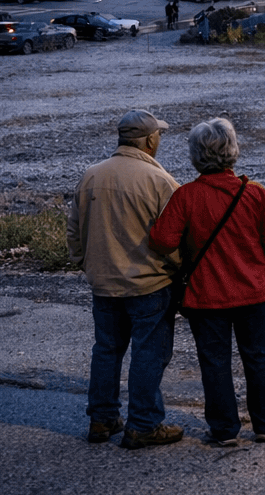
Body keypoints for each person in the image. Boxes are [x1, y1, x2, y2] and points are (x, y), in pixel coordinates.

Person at [151, 118, 265, 448]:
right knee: (258, 356)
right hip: (254, 292)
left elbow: (163, 240)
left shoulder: (186, 196)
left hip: (206, 295)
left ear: (196, 155)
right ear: (233, 152)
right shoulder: (253, 193)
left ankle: (224, 429)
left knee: (214, 362)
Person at [66, 109, 183, 449]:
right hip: (148, 284)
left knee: (106, 350)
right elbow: (174, 238)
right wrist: (176, 270)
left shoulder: (91, 175)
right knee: (149, 353)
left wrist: (86, 264)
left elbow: (74, 230)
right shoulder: (160, 181)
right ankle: (143, 423)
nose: (159, 139)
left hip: (103, 283)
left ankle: (102, 419)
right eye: (158, 135)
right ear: (149, 141)